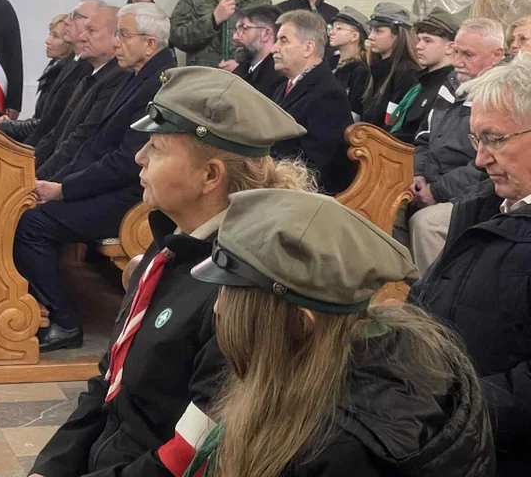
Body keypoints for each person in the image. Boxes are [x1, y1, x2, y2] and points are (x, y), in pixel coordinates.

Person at [28, 67, 310, 477]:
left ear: (209, 175)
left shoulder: (241, 290)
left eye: (157, 148)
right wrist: (51, 466)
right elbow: (110, 381)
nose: (139, 157)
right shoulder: (171, 245)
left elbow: (192, 452)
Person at [187, 190, 493, 477]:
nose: (218, 308)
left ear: (301, 323)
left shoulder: (329, 448)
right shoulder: (403, 352)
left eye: (231, 295)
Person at [13, 6, 177, 351]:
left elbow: (126, 162)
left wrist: (65, 189)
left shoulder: (158, 85)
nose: (116, 43)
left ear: (150, 44)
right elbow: (93, 144)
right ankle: (32, 305)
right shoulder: (136, 75)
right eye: (116, 34)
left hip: (132, 198)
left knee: (31, 225)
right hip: (110, 186)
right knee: (24, 211)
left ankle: (64, 322)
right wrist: (56, 184)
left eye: (123, 35)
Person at [411, 53, 531, 475]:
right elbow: (425, 300)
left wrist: (448, 409)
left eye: (494, 139)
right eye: (476, 139)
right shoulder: (483, 206)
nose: (480, 159)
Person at [409, 18, 506, 271]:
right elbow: (424, 137)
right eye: (456, 52)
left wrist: (436, 191)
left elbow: (487, 166)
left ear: (497, 55)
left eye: (468, 55)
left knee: (426, 224)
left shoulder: (501, 96)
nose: (457, 62)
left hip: (479, 195)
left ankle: (435, 292)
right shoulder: (452, 82)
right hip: (431, 182)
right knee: (382, 209)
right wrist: (418, 175)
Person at [0, 0, 104, 145]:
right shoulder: (67, 65)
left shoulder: (86, 67)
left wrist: (6, 127)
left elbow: (55, 126)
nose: (68, 21)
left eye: (76, 16)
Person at [35, 6, 127, 179]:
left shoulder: (117, 78)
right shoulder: (91, 74)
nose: (82, 37)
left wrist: (39, 179)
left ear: (116, 37)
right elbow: (56, 133)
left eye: (91, 31)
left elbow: (81, 141)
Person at [271, 10, 354, 194]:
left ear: (308, 48)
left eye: (283, 40)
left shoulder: (328, 95)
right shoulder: (284, 87)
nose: (274, 48)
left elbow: (315, 167)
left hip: (307, 197)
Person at [389, 7, 459, 144]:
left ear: (450, 47)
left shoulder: (450, 88)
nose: (418, 46)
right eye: (419, 40)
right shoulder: (423, 83)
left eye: (427, 41)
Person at [363, 2, 420, 129]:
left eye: (379, 31)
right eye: (371, 30)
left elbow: (395, 124)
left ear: (399, 35)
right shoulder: (376, 69)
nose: (371, 37)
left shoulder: (407, 72)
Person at [221, 5, 285, 97]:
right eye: (237, 30)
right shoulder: (243, 72)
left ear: (266, 34)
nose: (235, 37)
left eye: (244, 28)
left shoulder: (278, 80)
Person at [329, 7, 371, 122]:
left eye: (339, 28)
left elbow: (355, 112)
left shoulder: (360, 70)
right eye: (332, 28)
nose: (332, 32)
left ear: (355, 36)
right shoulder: (331, 62)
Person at [33, 14, 73, 122]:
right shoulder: (52, 68)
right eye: (50, 34)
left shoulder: (70, 77)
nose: (48, 40)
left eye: (55, 36)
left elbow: (47, 123)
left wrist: (8, 125)